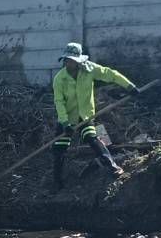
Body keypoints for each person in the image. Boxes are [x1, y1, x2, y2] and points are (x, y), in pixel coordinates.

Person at [50, 42, 136, 189]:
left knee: (91, 137)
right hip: (67, 118)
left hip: (85, 115)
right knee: (59, 149)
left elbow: (110, 74)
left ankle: (113, 167)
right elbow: (59, 102)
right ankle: (57, 183)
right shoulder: (59, 79)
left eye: (71, 61)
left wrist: (129, 86)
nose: (68, 63)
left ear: (78, 61)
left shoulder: (89, 70)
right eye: (66, 60)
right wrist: (65, 123)